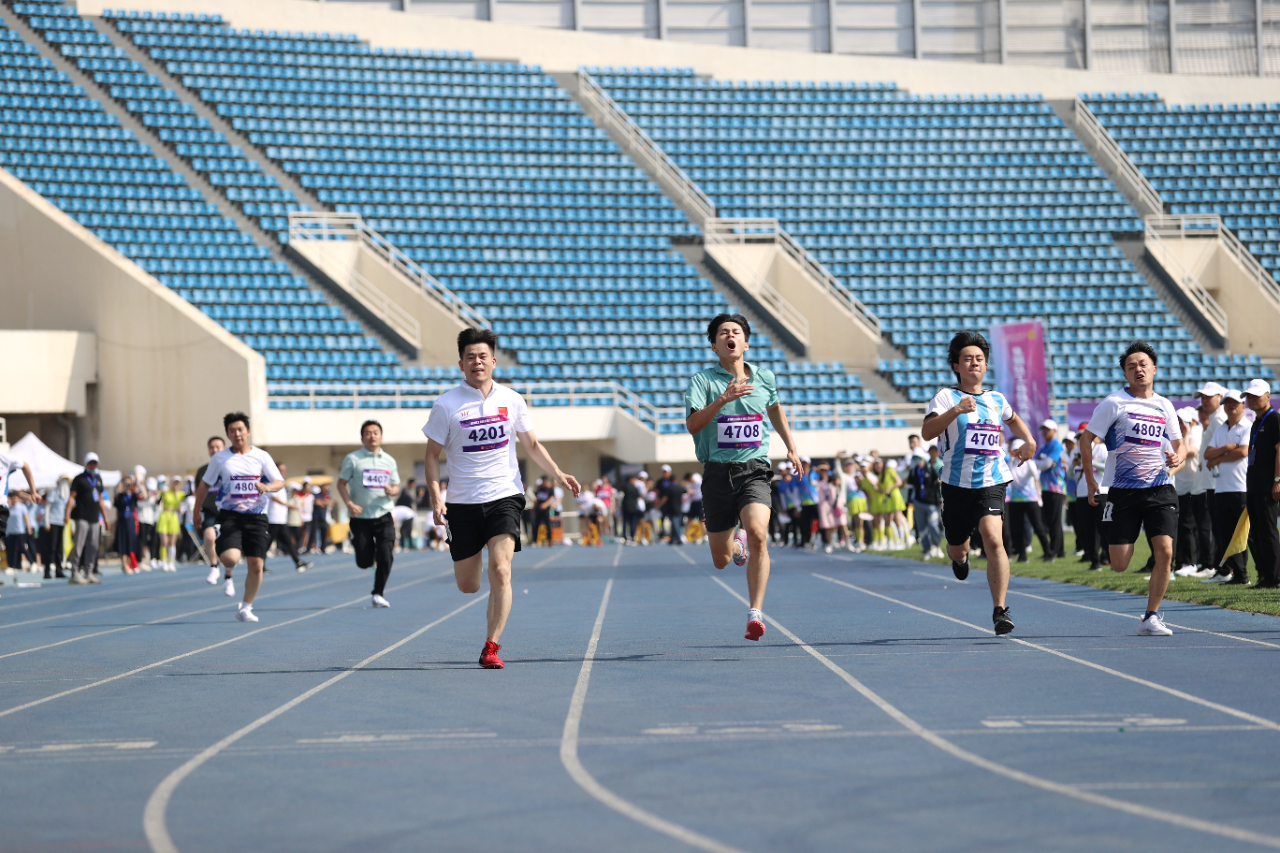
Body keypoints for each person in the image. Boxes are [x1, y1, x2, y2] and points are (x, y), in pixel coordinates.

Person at [424, 328, 581, 669]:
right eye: (470, 357)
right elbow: (431, 456)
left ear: (493, 361)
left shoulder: (512, 400)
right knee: (469, 585)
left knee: (501, 569)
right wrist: (437, 499)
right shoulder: (446, 405)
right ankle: (484, 586)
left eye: (483, 356)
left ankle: (491, 645)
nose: (477, 362)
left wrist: (558, 473)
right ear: (461, 364)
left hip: (504, 496)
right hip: (462, 503)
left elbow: (532, 445)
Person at [684, 313, 805, 641]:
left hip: (754, 469)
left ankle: (755, 612)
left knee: (758, 533)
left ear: (746, 343)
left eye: (736, 332)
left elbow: (775, 408)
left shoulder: (764, 377)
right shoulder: (703, 382)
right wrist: (722, 399)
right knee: (721, 560)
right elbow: (692, 425)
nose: (730, 336)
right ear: (714, 345)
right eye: (723, 333)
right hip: (717, 473)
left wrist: (791, 447)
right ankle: (738, 548)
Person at [921, 331, 1037, 636]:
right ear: (956, 366)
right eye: (967, 359)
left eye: (979, 359)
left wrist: (1028, 439)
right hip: (956, 484)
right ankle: (961, 558)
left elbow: (1013, 419)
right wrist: (956, 410)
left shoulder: (997, 399)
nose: (974, 363)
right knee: (957, 548)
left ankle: (1000, 610)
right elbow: (927, 432)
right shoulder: (946, 397)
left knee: (994, 539)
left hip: (991, 480)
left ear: (986, 365)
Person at [1080, 341, 1185, 636]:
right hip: (1123, 492)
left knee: (1165, 552)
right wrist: (1091, 480)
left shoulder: (1165, 405)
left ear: (1154, 369)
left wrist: (1177, 458)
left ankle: (1150, 617)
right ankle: (1128, 532)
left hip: (1160, 488)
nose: (1138, 369)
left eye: (1143, 364)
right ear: (1125, 374)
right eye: (1131, 366)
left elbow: (1180, 445)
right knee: (1119, 563)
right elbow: (1086, 440)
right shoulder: (1114, 403)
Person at [192, 412, 286, 623]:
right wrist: (196, 511)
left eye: (240, 430)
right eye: (232, 431)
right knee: (230, 558)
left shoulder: (261, 456)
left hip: (257, 516)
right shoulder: (220, 458)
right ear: (227, 434)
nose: (237, 434)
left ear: (248, 431)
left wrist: (267, 487)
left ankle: (245, 608)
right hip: (230, 516)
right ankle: (226, 562)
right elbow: (204, 485)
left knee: (256, 564)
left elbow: (279, 481)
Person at [338, 419, 403, 608]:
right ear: (362, 438)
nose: (372, 436)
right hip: (360, 517)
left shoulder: (389, 460)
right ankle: (367, 550)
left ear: (381, 437)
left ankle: (378, 593)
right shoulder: (353, 459)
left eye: (375, 432)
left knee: (386, 555)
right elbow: (341, 484)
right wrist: (349, 504)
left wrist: (392, 490)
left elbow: (397, 485)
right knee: (364, 562)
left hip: (383, 515)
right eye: (368, 433)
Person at [1201, 389, 1251, 585]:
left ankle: (1247, 574)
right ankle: (1238, 574)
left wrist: (1218, 458)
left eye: (1235, 402)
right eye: (1228, 402)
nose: (1231, 405)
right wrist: (1228, 448)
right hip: (1221, 488)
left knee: (1243, 535)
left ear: (1243, 405)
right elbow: (1207, 454)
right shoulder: (1221, 429)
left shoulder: (1247, 426)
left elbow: (1243, 452)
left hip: (1240, 487)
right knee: (1225, 534)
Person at [1244, 379, 1279, 589]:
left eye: (1256, 395)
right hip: (1254, 485)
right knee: (1257, 533)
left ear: (1268, 396)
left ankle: (1274, 578)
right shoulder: (1256, 422)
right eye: (1249, 396)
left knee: (1268, 531)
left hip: (1267, 485)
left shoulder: (1274, 419)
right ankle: (1264, 576)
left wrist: (1277, 480)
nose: (1252, 399)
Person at [1192, 382, 1227, 577]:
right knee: (1217, 528)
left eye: (1208, 397)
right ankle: (1221, 569)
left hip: (1217, 482)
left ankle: (1223, 569)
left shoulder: (1219, 418)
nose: (1204, 401)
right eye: (1202, 398)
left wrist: (1211, 459)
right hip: (1212, 482)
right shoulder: (1214, 418)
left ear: (1220, 397)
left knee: (1220, 528)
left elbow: (1225, 447)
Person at [65, 453, 109, 585]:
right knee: (79, 545)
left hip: (94, 517)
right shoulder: (79, 479)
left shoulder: (98, 479)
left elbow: (101, 500)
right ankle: (74, 573)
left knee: (93, 546)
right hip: (81, 516)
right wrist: (67, 514)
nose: (93, 465)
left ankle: (89, 572)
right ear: (86, 464)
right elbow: (72, 497)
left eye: (95, 463)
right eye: (90, 463)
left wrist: (105, 518)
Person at [1006, 438, 1052, 562]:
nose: (1016, 453)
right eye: (1014, 450)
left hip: (1030, 499)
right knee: (1018, 529)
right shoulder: (1011, 463)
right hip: (1015, 500)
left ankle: (1048, 553)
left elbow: (1036, 479)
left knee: (1038, 526)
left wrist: (1038, 497)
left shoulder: (1029, 462)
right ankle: (1022, 555)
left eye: (1018, 450)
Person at [1172, 407, 1204, 576]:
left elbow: (1190, 452)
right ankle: (1184, 561)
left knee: (1189, 525)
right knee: (1182, 526)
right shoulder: (1175, 438)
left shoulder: (1195, 433)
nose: (1178, 425)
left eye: (1181, 422)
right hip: (1180, 486)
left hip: (1192, 485)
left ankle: (1191, 562)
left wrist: (1186, 435)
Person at [1073, 432, 1109, 570]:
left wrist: (1088, 461)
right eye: (1078, 438)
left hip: (1100, 491)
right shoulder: (1077, 452)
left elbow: (1107, 467)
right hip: (1082, 493)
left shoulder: (1101, 448)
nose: (1080, 440)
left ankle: (1108, 557)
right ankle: (1094, 561)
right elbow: (1071, 475)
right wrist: (1074, 465)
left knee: (1103, 527)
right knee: (1087, 529)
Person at [1033, 419, 1067, 560]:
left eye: (1048, 429)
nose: (1045, 432)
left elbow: (1046, 464)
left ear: (1054, 431)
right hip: (1046, 488)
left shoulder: (1056, 446)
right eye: (1044, 429)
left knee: (1054, 521)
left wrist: (1039, 463)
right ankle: (1058, 550)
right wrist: (1040, 463)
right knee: (1050, 520)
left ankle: (1055, 550)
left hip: (1056, 488)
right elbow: (1036, 463)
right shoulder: (1044, 447)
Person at [267, 462, 310, 571]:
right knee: (267, 543)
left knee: (288, 542)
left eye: (284, 470)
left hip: (281, 519)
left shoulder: (282, 483)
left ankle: (298, 562)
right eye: (281, 470)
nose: (283, 472)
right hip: (274, 519)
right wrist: (288, 505)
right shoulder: (272, 482)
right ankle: (257, 564)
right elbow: (273, 497)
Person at [196, 436, 226, 585]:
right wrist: (196, 511)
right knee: (208, 537)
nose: (214, 450)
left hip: (229, 510)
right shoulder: (202, 471)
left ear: (224, 448)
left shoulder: (231, 467)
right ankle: (214, 566)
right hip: (210, 511)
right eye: (211, 447)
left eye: (217, 447)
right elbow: (198, 492)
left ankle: (229, 574)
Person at [908, 448, 943, 558]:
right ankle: (927, 549)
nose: (917, 460)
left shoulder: (930, 468)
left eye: (918, 457)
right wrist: (910, 501)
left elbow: (937, 486)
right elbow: (911, 488)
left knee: (933, 525)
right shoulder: (913, 471)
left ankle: (937, 546)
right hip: (918, 503)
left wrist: (940, 500)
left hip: (932, 503)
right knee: (922, 528)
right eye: (915, 458)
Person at [155, 476, 185, 573]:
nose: (176, 485)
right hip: (164, 516)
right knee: (164, 541)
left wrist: (189, 483)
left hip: (173, 517)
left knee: (172, 542)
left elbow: (190, 494)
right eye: (174, 482)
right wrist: (161, 492)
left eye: (177, 483)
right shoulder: (165, 492)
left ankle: (171, 562)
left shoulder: (180, 494)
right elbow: (158, 501)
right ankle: (164, 561)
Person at [44, 475, 69, 579]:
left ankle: (59, 571)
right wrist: (47, 522)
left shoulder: (65, 495)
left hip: (61, 523)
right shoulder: (53, 493)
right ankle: (47, 571)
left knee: (59, 548)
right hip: (53, 522)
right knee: (52, 547)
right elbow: (47, 508)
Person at [114, 476, 141, 573]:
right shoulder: (120, 496)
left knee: (130, 542)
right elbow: (115, 491)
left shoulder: (133, 496)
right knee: (122, 543)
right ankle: (124, 564)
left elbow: (142, 493)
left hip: (130, 521)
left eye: (129, 484)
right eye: (126, 484)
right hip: (122, 521)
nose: (128, 486)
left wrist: (136, 482)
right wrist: (121, 482)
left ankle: (129, 563)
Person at [657, 465, 685, 545]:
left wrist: (659, 505)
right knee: (674, 523)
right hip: (677, 507)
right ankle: (673, 538)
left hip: (672, 507)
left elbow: (665, 497)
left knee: (675, 523)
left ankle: (678, 538)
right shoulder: (679, 487)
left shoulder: (670, 487)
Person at [396, 478, 419, 550]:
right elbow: (413, 501)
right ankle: (404, 545)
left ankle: (408, 544)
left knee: (407, 530)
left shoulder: (408, 491)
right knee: (404, 530)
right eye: (414, 484)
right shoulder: (406, 492)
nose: (414, 486)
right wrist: (420, 496)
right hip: (406, 514)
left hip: (408, 514)